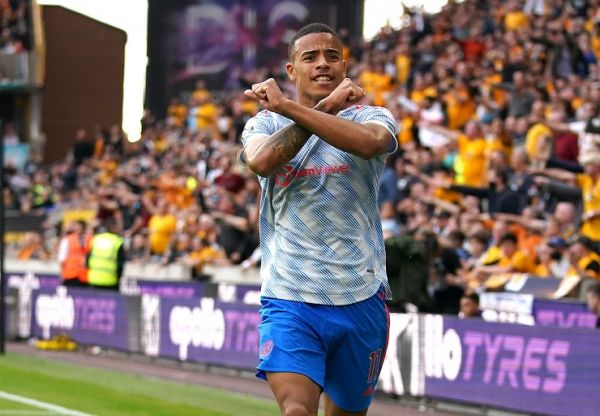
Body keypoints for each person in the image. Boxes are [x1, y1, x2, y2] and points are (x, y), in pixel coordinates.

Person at [239, 23, 397, 416]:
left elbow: (371, 144)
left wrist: (294, 107)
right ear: (292, 71)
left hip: (359, 294)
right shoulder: (265, 123)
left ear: (344, 66)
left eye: (332, 56)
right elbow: (261, 161)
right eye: (310, 57)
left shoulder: (372, 116)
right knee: (296, 410)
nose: (322, 64)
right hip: (290, 295)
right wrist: (319, 107)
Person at [86, 219, 125, 291]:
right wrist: (118, 277)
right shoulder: (117, 241)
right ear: (113, 227)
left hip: (93, 279)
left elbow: (88, 259)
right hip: (110, 281)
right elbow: (120, 264)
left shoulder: (96, 238)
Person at [57, 220, 90, 287]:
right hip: (70, 274)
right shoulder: (68, 239)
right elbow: (61, 258)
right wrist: (62, 273)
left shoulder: (89, 239)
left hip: (84, 275)